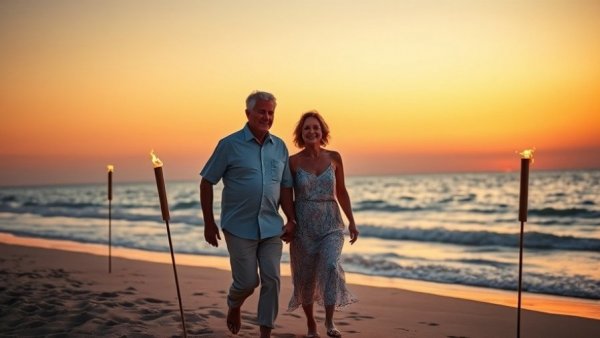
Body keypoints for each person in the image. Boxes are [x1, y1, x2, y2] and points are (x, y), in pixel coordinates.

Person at [199, 90, 296, 338]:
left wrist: (291, 219)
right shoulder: (229, 145)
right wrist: (209, 224)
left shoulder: (280, 147)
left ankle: (265, 334)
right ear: (248, 113)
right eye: (261, 111)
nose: (266, 116)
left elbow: (285, 186)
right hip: (239, 227)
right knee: (247, 283)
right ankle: (234, 304)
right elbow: (207, 182)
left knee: (272, 279)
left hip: (271, 226)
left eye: (270, 112)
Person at [287, 110, 359, 338]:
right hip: (304, 228)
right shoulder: (293, 162)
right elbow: (285, 195)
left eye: (315, 127)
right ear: (301, 133)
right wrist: (290, 221)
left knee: (330, 267)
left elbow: (342, 191)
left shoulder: (334, 157)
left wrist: (352, 222)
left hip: (331, 224)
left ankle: (329, 321)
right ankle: (311, 324)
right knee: (305, 277)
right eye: (307, 128)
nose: (311, 131)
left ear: (322, 132)